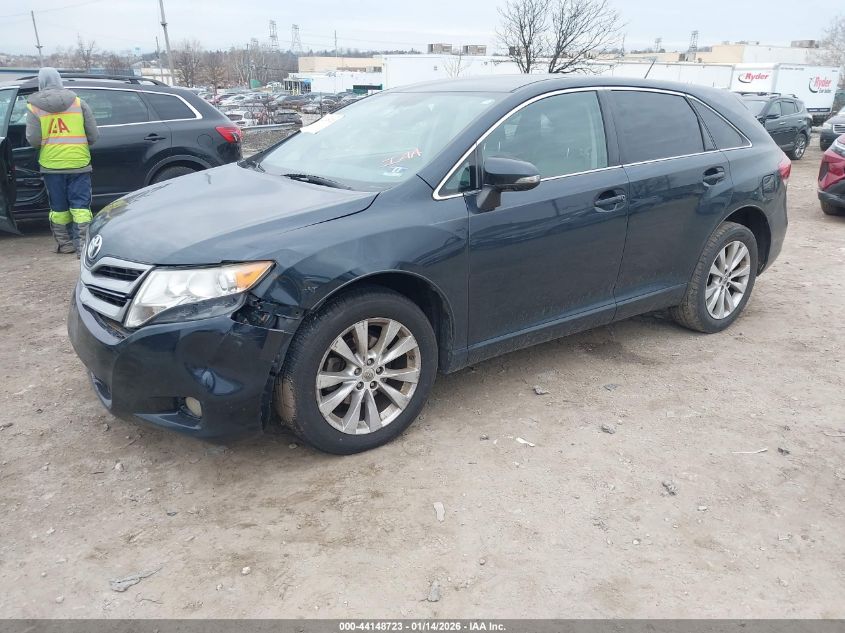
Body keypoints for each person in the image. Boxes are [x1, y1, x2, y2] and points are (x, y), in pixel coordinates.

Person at [26, 67, 99, 256]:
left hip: (52, 165)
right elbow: (93, 134)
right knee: (81, 206)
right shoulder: (78, 103)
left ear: (40, 82)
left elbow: (33, 139)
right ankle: (83, 246)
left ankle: (65, 245)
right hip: (79, 162)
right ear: (60, 80)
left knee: (58, 208)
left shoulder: (33, 107)